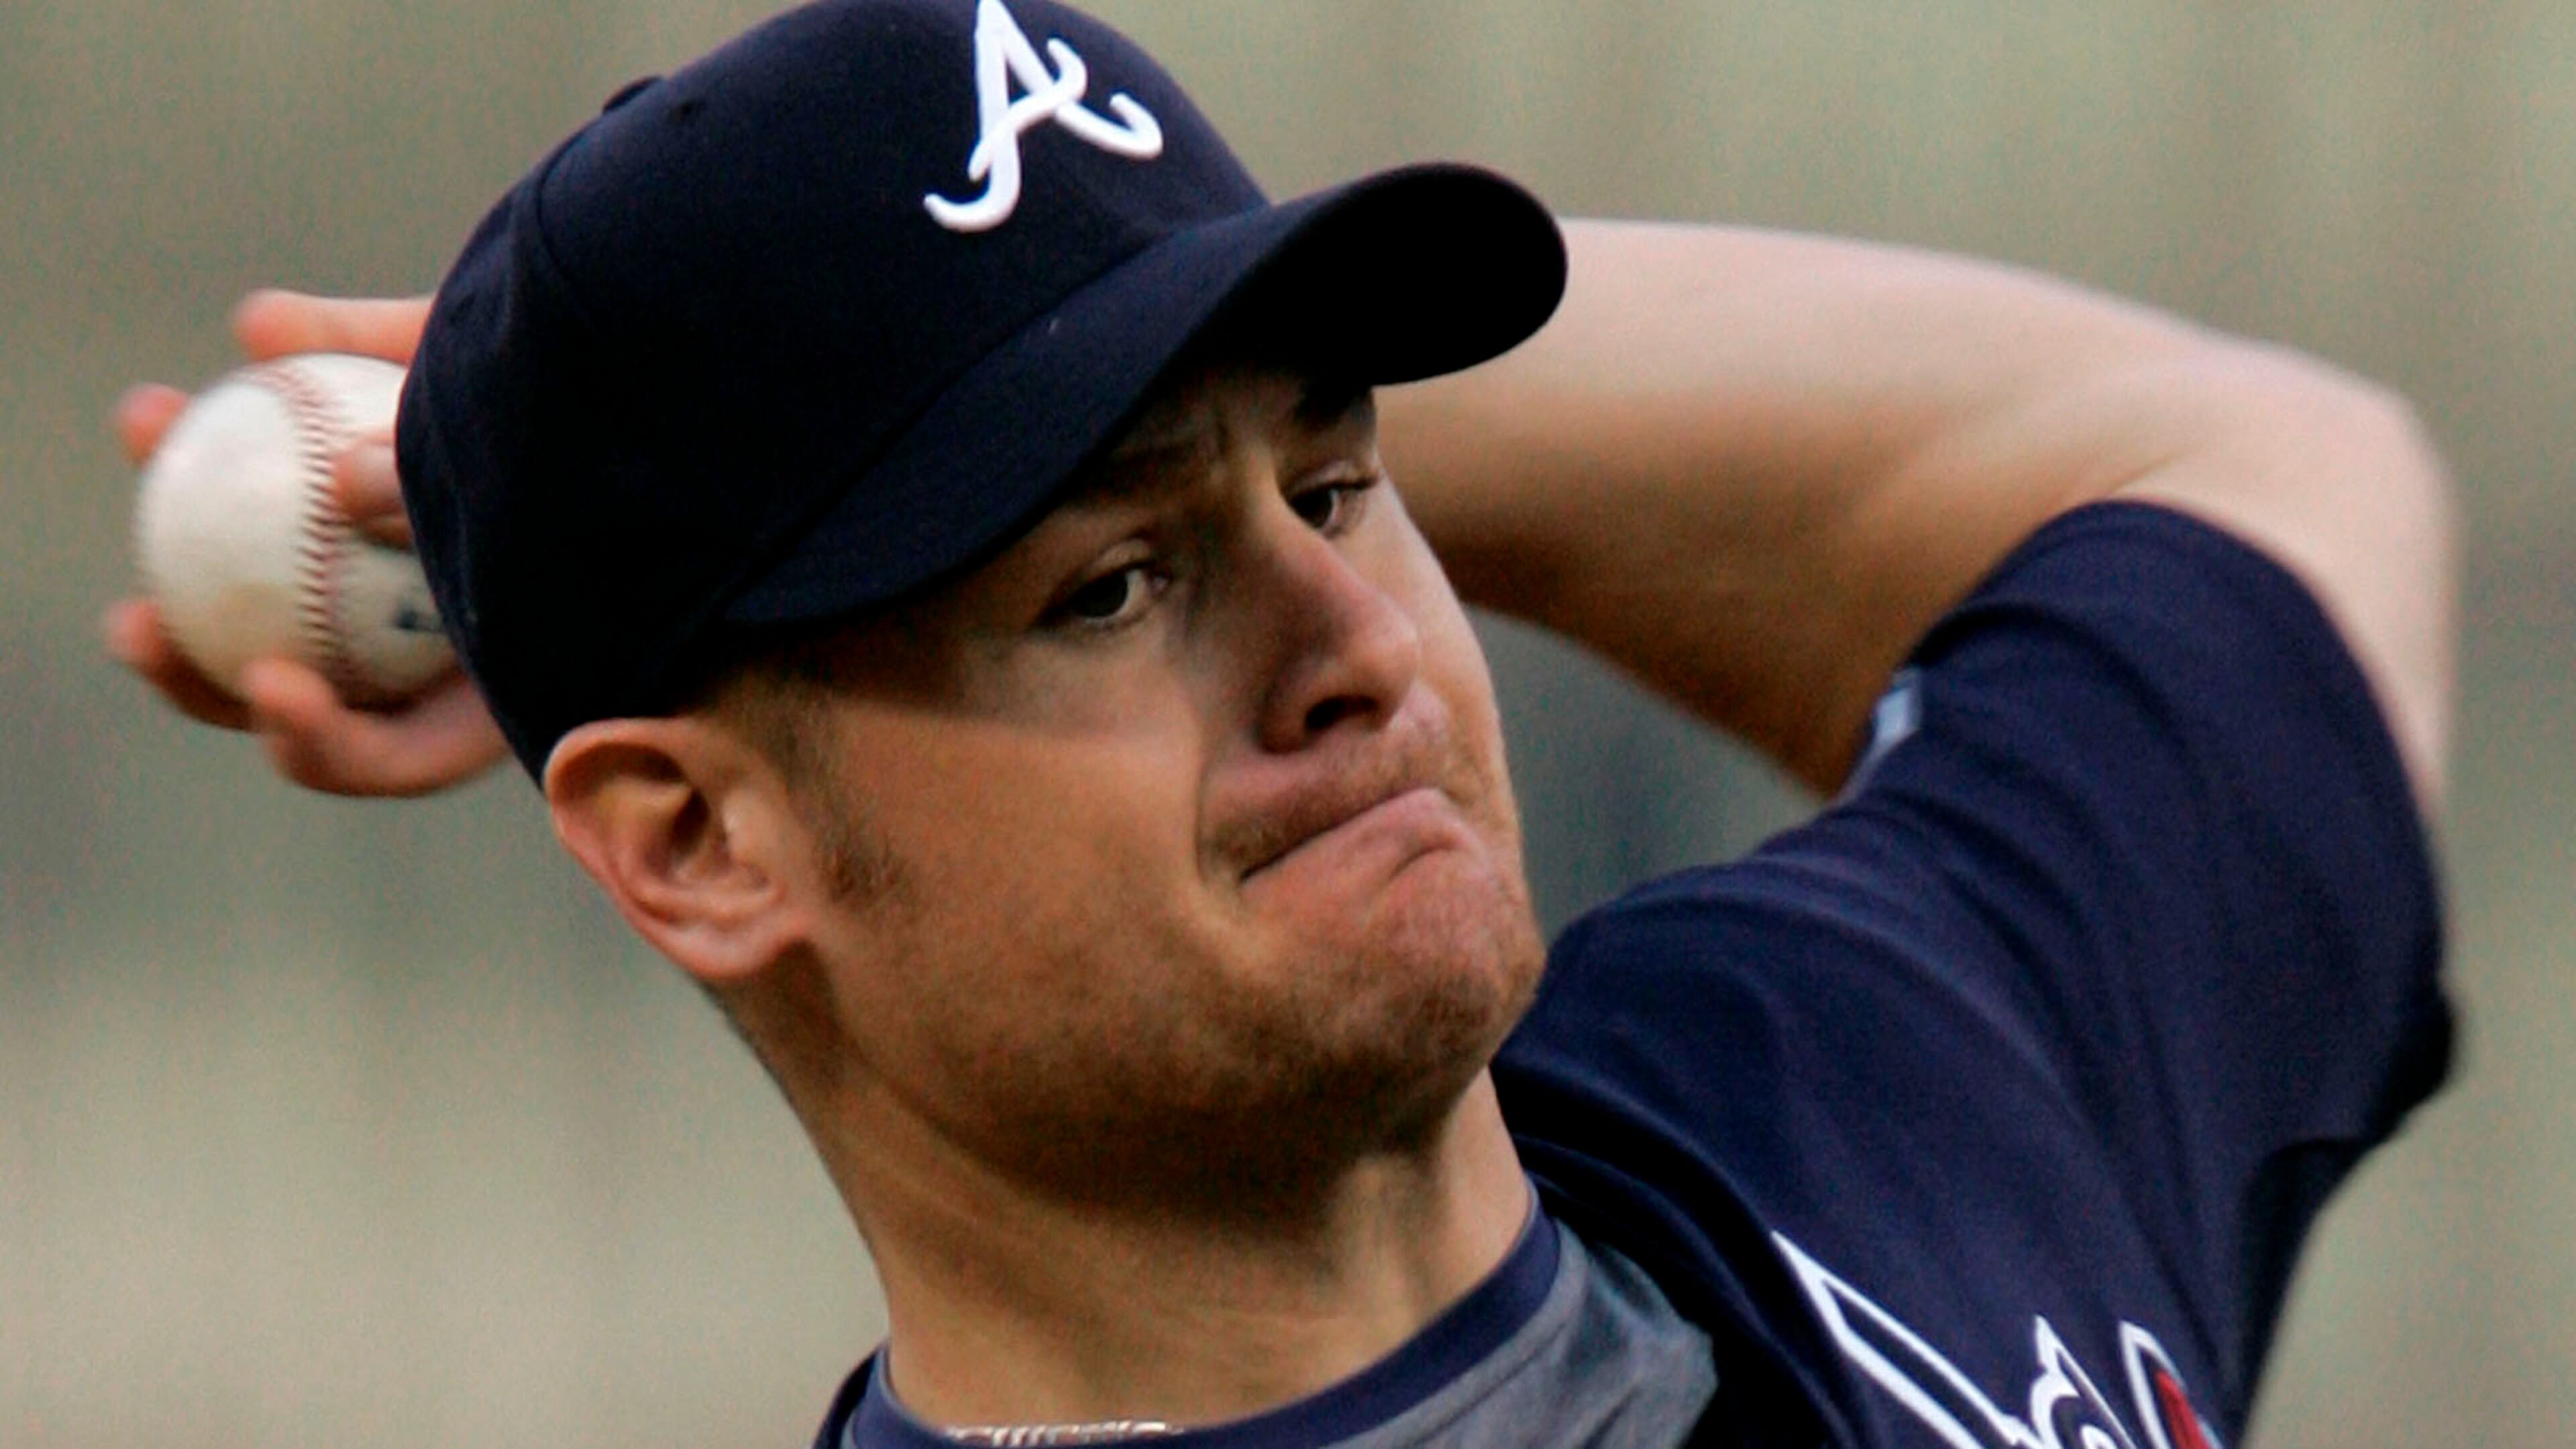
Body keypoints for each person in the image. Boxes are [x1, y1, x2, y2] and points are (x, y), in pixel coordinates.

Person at [107, 1, 2456, 1445]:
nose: (1365, 640)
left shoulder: (1839, 1092)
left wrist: (1141, 387)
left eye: (1345, 478)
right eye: (1111, 586)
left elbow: (2247, 474)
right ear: (701, 843)